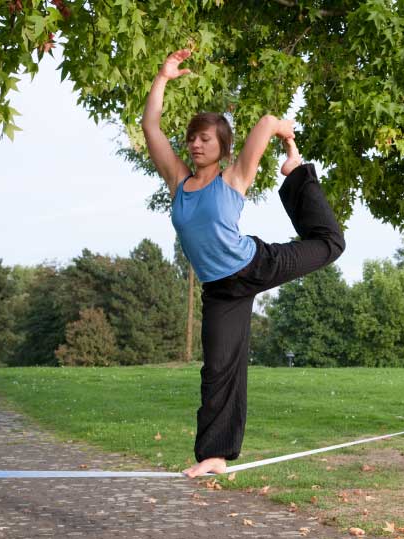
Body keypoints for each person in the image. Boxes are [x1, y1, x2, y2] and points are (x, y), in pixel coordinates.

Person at [142, 48, 345, 478]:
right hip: (220, 291)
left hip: (255, 264)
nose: (196, 144)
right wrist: (163, 77)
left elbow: (269, 123)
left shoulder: (233, 178)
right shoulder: (178, 181)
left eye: (206, 139)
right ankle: (214, 456)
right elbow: (150, 126)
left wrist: (287, 137)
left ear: (222, 147)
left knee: (329, 243)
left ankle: (298, 173)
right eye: (193, 138)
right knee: (218, 368)